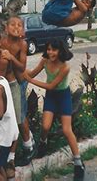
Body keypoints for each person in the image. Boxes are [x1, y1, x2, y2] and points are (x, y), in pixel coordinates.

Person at [23, 39, 85, 180]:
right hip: (51, 97)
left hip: (63, 96)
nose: (51, 52)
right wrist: (21, 70)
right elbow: (32, 73)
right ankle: (43, 143)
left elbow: (51, 86)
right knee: (45, 126)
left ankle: (78, 163)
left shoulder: (65, 67)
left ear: (61, 51)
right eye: (49, 49)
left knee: (66, 130)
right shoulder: (45, 60)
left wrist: (29, 80)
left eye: (54, 50)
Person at [0, 16, 35, 178]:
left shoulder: (22, 44)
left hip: (19, 83)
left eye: (19, 25)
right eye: (12, 24)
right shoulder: (1, 42)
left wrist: (11, 57)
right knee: (9, 116)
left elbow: (22, 67)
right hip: (5, 83)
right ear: (6, 28)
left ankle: (28, 145)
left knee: (20, 118)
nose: (16, 27)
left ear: (22, 30)